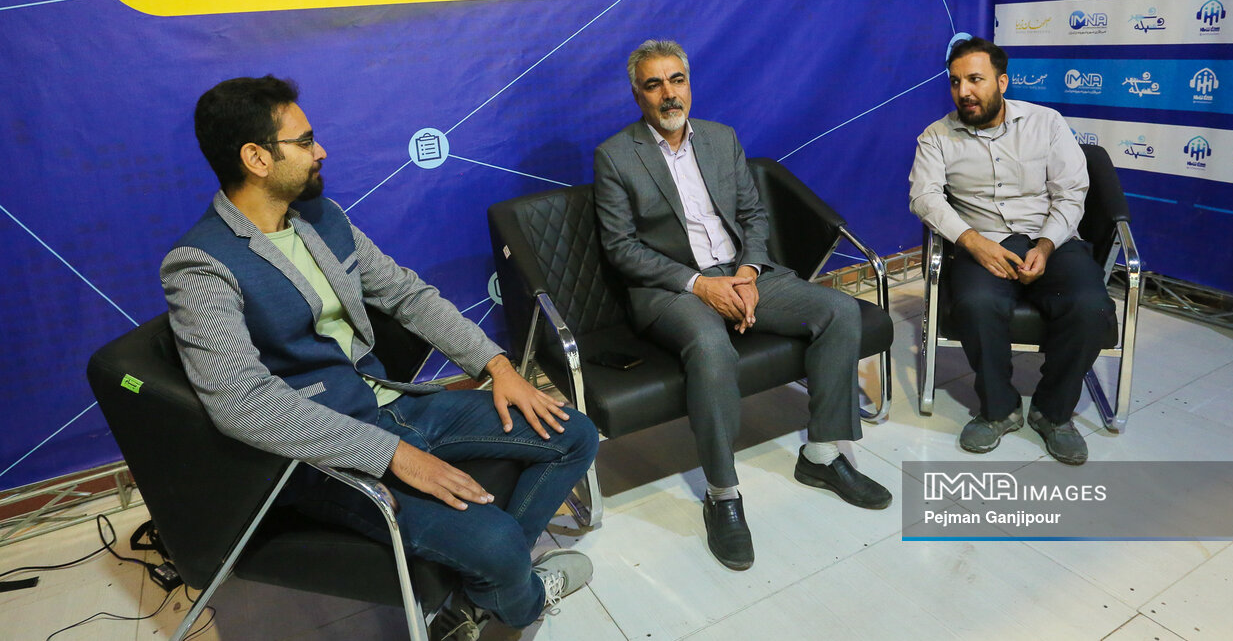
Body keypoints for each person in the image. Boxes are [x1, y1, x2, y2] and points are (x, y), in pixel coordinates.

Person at [161, 75, 598, 638]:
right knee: (497, 541)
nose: (321, 151)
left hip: (395, 404)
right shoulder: (200, 265)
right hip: (326, 454)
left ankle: (483, 590)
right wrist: (390, 454)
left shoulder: (324, 218)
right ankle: (522, 599)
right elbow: (241, 403)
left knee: (574, 434)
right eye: (304, 141)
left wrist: (498, 367)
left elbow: (408, 296)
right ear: (256, 158)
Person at [593, 39, 891, 572]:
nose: (668, 93)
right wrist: (699, 285)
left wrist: (750, 273)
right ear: (637, 94)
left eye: (677, 79)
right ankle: (722, 493)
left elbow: (753, 215)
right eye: (654, 84)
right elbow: (622, 249)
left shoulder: (721, 137)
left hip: (742, 272)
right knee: (711, 347)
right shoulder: (616, 155)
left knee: (839, 311)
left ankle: (822, 455)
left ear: (690, 83)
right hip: (672, 288)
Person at [909, 36, 1116, 465]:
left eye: (975, 79)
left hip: (1050, 238)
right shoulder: (936, 137)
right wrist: (973, 242)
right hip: (982, 241)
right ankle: (998, 409)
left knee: (1091, 306)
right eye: (955, 82)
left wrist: (1046, 244)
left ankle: (1053, 412)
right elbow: (924, 198)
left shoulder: (1047, 123)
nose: (964, 91)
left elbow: (1071, 192)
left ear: (1002, 82)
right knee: (976, 304)